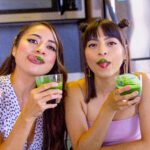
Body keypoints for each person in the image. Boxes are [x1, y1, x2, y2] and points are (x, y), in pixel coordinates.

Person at [65, 18, 150, 150]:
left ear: (125, 52)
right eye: (92, 45)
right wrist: (109, 108)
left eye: (111, 43)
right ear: (85, 56)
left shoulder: (142, 82)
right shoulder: (74, 91)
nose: (102, 51)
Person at [0, 21, 68, 150]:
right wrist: (28, 115)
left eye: (51, 47)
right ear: (14, 49)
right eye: (33, 41)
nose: (41, 49)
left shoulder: (55, 99)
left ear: (54, 62)